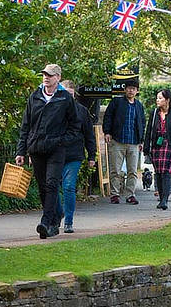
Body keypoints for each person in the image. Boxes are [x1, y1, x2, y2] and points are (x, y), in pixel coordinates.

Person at [15, 64, 80, 239]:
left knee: (52, 184)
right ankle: (54, 218)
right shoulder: (34, 97)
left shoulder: (65, 98)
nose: (46, 78)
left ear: (58, 77)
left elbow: (75, 125)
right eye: (44, 75)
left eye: (50, 75)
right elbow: (25, 125)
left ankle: (45, 221)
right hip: (36, 148)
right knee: (43, 186)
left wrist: (61, 141)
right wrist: (21, 151)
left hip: (56, 149)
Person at [55, 80, 96, 234]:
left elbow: (89, 134)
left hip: (74, 155)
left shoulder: (81, 111)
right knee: (53, 187)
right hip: (56, 154)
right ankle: (59, 213)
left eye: (71, 94)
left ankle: (69, 221)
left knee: (68, 187)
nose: (68, 97)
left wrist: (91, 155)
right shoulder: (54, 109)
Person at [103, 78, 146, 205]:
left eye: (133, 89)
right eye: (129, 88)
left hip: (134, 142)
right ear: (125, 89)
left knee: (132, 171)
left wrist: (141, 140)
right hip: (117, 140)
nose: (131, 91)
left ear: (137, 91)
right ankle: (115, 194)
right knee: (115, 170)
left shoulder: (139, 105)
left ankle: (130, 195)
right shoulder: (116, 102)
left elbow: (142, 123)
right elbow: (108, 117)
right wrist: (107, 132)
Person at [143, 89, 171, 210]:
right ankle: (161, 199)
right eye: (157, 98)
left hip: (169, 145)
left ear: (167, 100)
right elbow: (149, 130)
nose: (157, 100)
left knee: (166, 173)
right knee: (158, 173)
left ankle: (165, 200)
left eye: (160, 98)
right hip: (156, 145)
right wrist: (146, 147)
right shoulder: (154, 112)